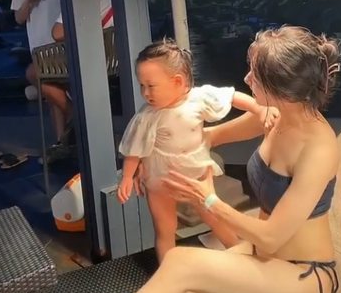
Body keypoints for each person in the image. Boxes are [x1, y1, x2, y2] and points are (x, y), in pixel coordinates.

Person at [0, 26, 341, 293]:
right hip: (262, 261)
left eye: (254, 75)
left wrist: (208, 198)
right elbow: (208, 138)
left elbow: (273, 236)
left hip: (303, 279)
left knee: (179, 262)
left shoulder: (318, 147)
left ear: (279, 87)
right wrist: (161, 154)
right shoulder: (277, 118)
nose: (246, 79)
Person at [117, 38, 279, 261]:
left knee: (214, 216)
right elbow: (133, 149)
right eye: (141, 86)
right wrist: (127, 176)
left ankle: (239, 254)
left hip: (197, 174)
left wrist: (258, 109)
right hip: (160, 179)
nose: (145, 93)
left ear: (177, 81)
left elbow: (232, 96)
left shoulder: (198, 98)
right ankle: (168, 269)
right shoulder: (146, 116)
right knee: (165, 228)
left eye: (151, 86)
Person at [42, 0, 113, 160]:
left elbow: (57, 33)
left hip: (94, 58)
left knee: (35, 73)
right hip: (118, 56)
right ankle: (71, 131)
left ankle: (78, 118)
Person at [10, 0, 62, 133]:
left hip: (60, 44)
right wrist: (28, 2)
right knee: (52, 95)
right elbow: (19, 18)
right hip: (38, 48)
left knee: (52, 89)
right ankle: (63, 138)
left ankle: (66, 133)